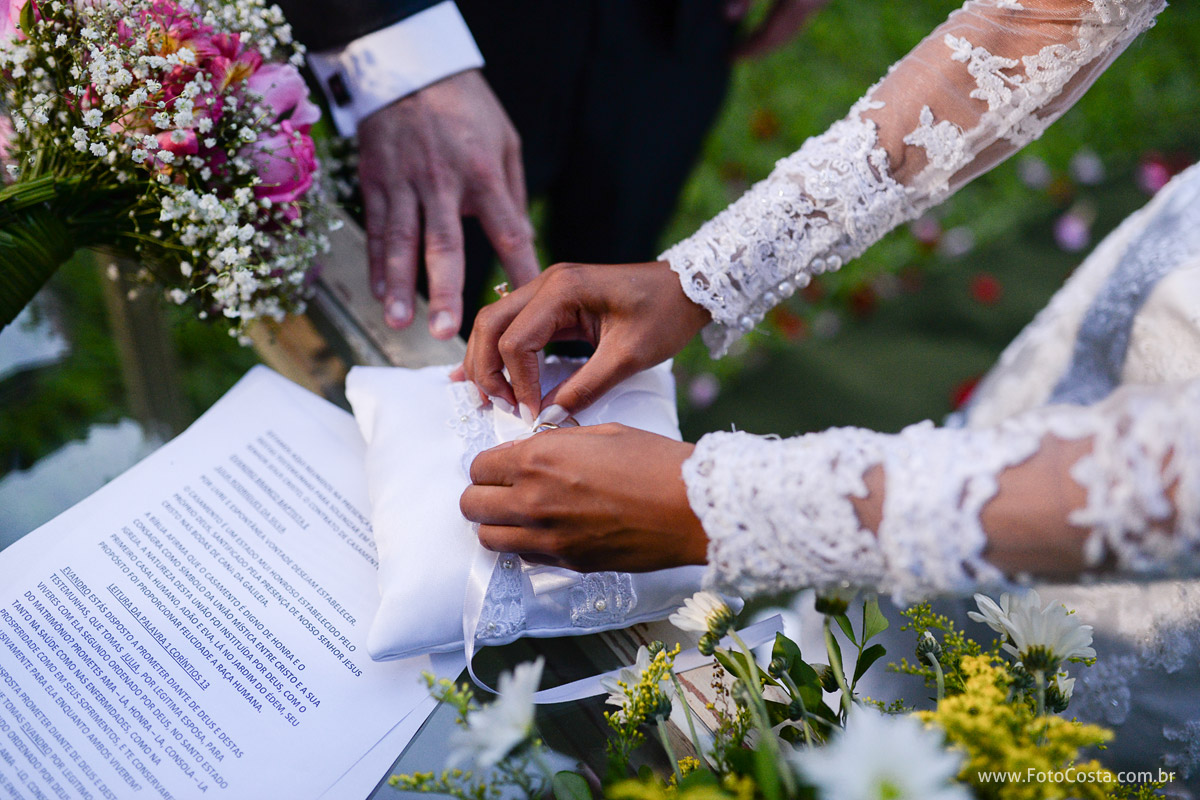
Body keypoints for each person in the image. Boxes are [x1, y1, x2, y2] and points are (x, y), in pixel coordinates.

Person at [457, 0, 1200, 778]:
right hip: (1149, 315)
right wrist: (705, 276)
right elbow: (1048, 18)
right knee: (848, 680)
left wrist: (723, 506)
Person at [274, 0, 827, 339]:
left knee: (607, 310)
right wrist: (396, 52)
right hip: (445, 33)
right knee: (410, 311)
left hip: (678, 34)